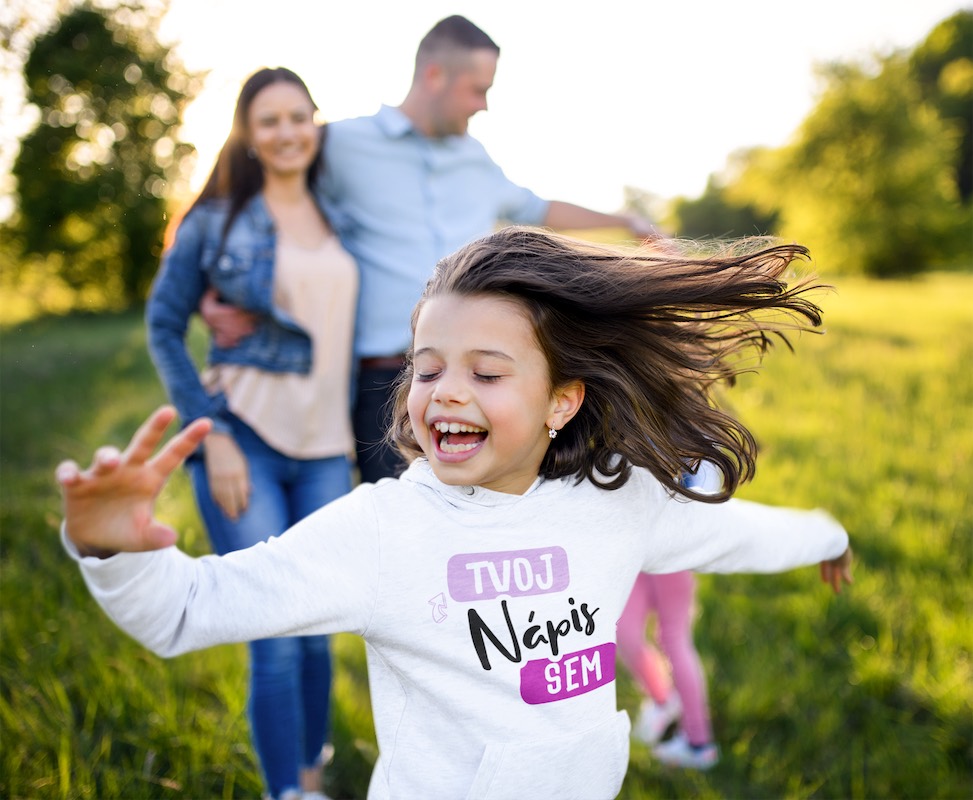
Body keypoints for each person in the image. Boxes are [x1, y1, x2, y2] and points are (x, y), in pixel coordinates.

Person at [58, 228, 853, 800]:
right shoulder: (381, 531)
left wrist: (825, 533)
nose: (445, 391)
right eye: (427, 367)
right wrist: (114, 550)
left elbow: (732, 532)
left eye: (487, 371)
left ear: (561, 401)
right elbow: (189, 610)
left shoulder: (618, 504)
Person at [202, 15, 664, 484]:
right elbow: (253, 193)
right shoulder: (340, 144)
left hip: (483, 374)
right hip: (383, 380)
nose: (483, 105)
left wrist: (625, 223)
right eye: (477, 89)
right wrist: (211, 289)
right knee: (405, 530)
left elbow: (538, 207)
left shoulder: (476, 159)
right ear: (434, 76)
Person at [145, 67, 358, 800]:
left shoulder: (340, 213)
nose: (287, 131)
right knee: (273, 635)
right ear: (246, 132)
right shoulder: (216, 221)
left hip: (329, 450)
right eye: (268, 120)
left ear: (314, 122)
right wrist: (212, 436)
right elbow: (163, 326)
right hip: (246, 443)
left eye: (299, 116)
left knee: (318, 627)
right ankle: (284, 793)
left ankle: (309, 775)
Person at [617, 461, 724, 771]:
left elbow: (707, 484)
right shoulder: (623, 419)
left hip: (673, 551)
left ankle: (699, 743)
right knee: (624, 633)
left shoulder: (686, 430)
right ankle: (663, 700)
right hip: (634, 550)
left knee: (673, 639)